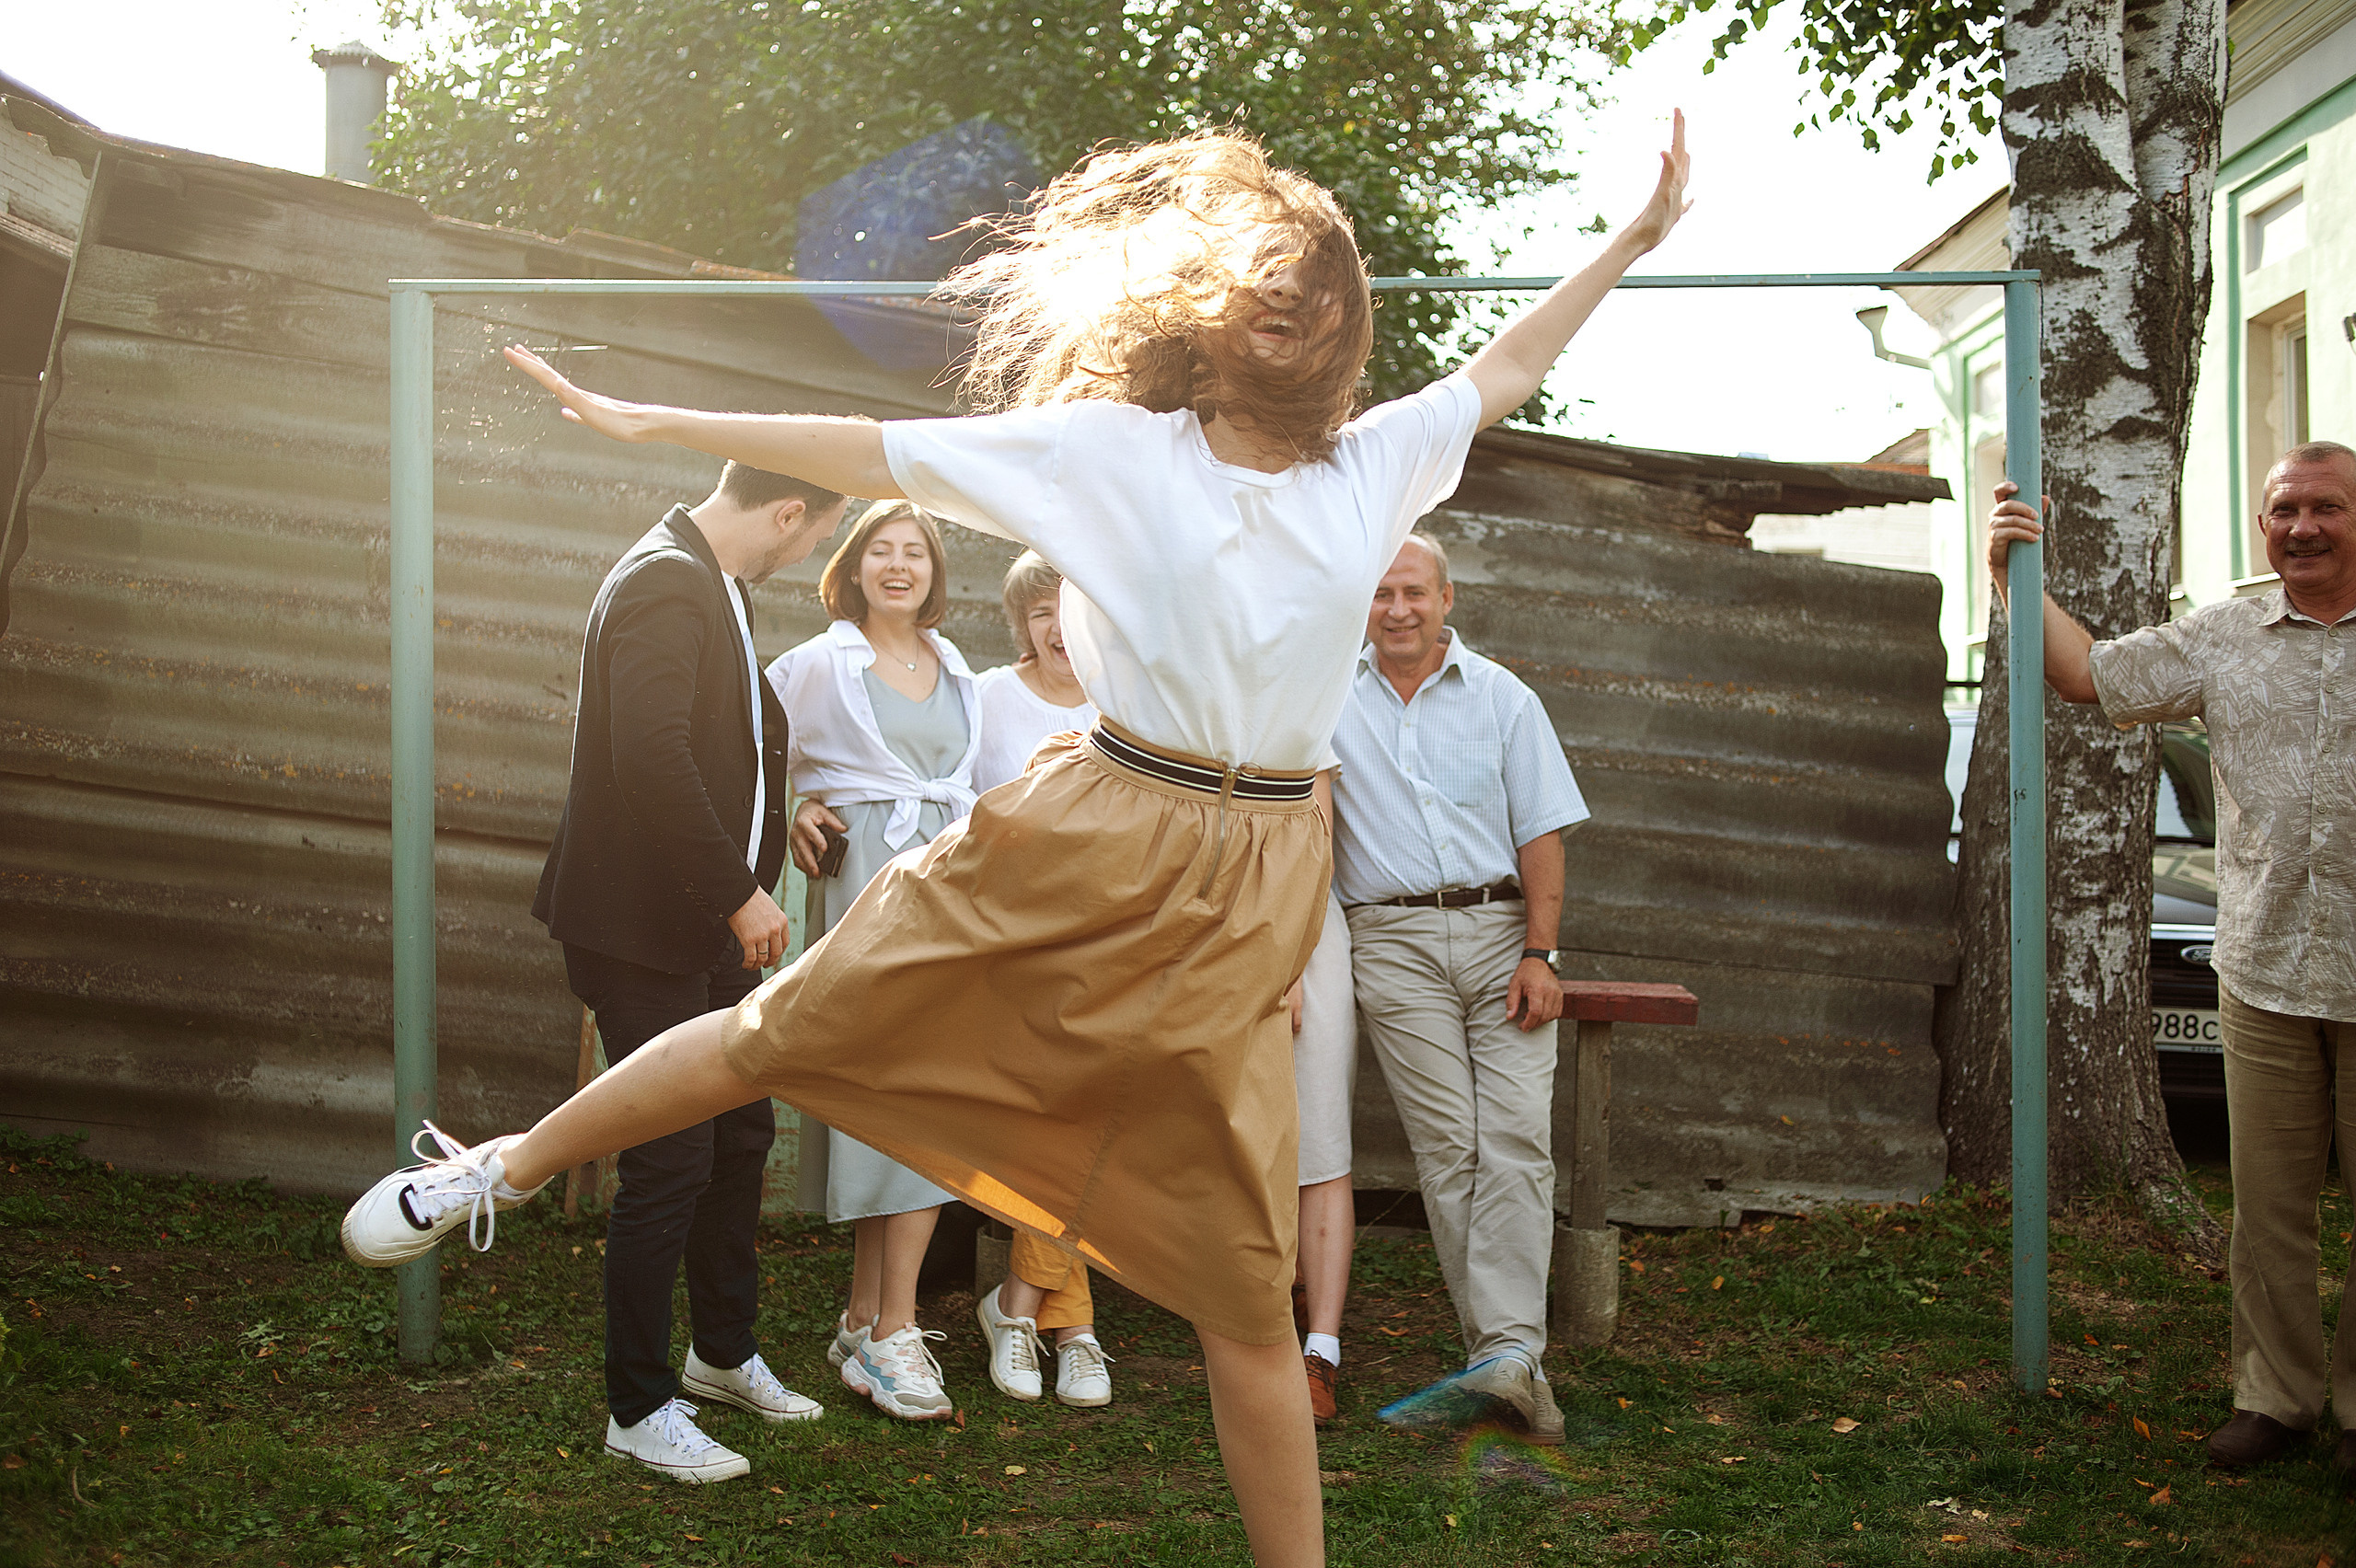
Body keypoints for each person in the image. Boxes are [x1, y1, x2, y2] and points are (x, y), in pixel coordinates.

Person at [341, 118, 1692, 1563]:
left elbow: (1507, 368)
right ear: (1217, 321)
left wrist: (1632, 238)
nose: (1299, 318)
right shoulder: (1106, 452)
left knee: (1245, 1298)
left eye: (1323, 297)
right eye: (1271, 293)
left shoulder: (1375, 463)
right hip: (1101, 824)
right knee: (783, 1028)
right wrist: (662, 428)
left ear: (1347, 330)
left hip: (1254, 879)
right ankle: (503, 1165)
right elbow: (866, 445)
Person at [1984, 443, 2356, 1485]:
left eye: (2325, 507)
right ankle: (2276, 1398)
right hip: (2265, 974)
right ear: (2263, 527)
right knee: (2269, 1211)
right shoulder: (2226, 636)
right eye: (2283, 510)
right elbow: (2081, 674)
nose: (2302, 528)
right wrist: (2009, 570)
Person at [526, 461, 845, 1482]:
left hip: (700, 930)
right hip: (644, 930)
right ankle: (637, 1404)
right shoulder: (667, 578)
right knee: (667, 1154)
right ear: (790, 512)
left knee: (740, 1134)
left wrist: (777, 822)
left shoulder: (718, 582)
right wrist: (738, 892)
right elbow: (650, 754)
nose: (807, 556)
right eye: (812, 536)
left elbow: (728, 747)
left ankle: (721, 1351)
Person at [1330, 532, 1588, 1445]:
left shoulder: (1503, 698)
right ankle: (1509, 1358)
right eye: (1380, 594)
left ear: (1446, 598)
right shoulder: (1326, 700)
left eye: (1413, 592)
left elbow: (1543, 832)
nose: (1397, 609)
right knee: (1450, 1147)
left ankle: (1506, 1355)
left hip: (1499, 937)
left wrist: (1540, 954)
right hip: (1389, 942)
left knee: (1517, 1136)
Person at [768, 501, 981, 1422]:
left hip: (951, 899)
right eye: (882, 553)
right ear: (852, 568)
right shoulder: (817, 663)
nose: (900, 567)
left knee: (927, 1093)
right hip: (866, 892)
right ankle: (896, 1330)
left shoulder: (958, 666)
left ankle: (865, 1314)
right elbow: (752, 757)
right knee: (893, 1092)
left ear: (934, 572)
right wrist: (792, 813)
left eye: (916, 553)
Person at [966, 550, 1117, 1409]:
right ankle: (1074, 1322)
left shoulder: (1124, 705)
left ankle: (1023, 1303)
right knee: (1049, 1123)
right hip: (1009, 942)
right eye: (1040, 611)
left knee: (1088, 1121)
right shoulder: (988, 696)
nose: (1057, 627)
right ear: (1020, 622)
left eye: (1077, 606)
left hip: (1102, 945)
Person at [1287, 853, 1359, 1425]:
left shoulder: (1308, 756)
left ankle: (1321, 1351)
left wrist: (1288, 967)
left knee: (1323, 1138)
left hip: (1300, 930)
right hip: (1204, 924)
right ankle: (1263, 1318)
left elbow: (1317, 846)